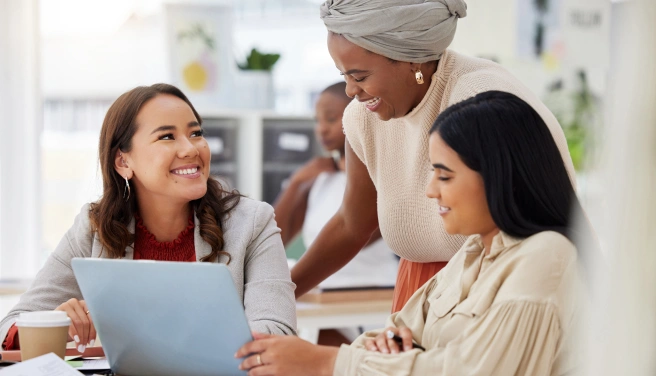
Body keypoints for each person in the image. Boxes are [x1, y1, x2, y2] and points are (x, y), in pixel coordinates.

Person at [236, 91, 590, 376]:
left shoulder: (547, 256)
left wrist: (327, 363)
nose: (430, 191)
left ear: (501, 176)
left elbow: (477, 370)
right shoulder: (473, 251)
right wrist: (390, 348)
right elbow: (394, 331)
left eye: (444, 175)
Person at [291, 0, 578, 312]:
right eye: (343, 75)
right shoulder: (362, 117)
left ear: (410, 60)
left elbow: (531, 229)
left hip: (498, 292)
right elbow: (352, 224)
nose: (350, 91)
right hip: (417, 294)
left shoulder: (480, 98)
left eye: (359, 77)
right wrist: (279, 296)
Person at [0, 84, 296, 353]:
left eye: (196, 133)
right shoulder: (95, 226)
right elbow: (10, 326)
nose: (191, 148)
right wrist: (54, 323)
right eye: (167, 136)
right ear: (123, 161)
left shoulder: (252, 222)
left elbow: (278, 336)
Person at [273, 81, 398, 290]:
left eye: (331, 119)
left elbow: (354, 235)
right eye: (317, 121)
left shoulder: (382, 176)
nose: (321, 129)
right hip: (320, 290)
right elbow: (274, 242)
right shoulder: (319, 179)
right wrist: (296, 183)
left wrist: (287, 287)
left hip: (373, 292)